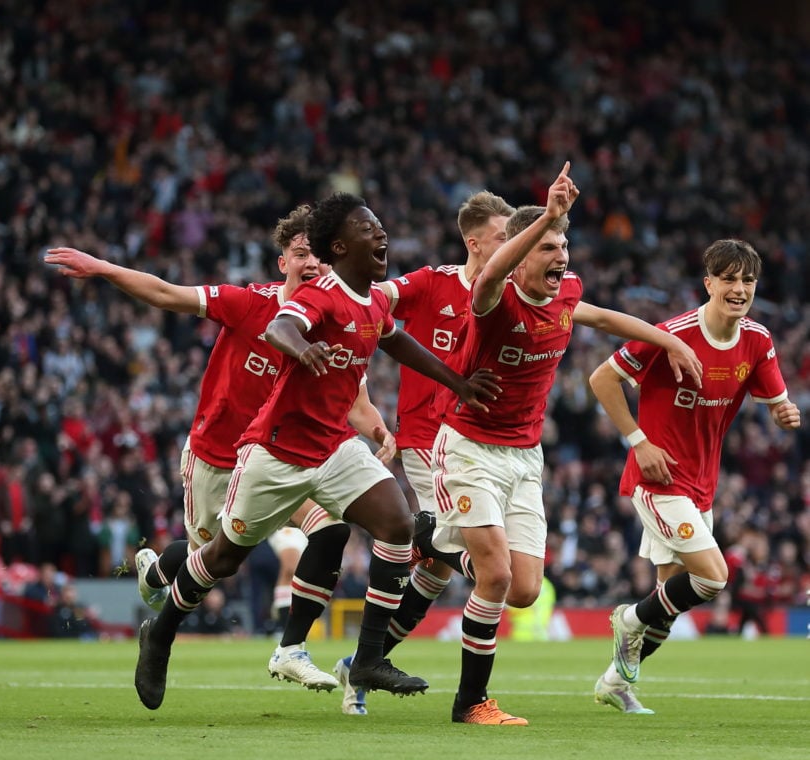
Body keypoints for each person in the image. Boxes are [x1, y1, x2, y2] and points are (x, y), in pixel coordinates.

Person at [131, 191, 500, 710]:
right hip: (276, 453)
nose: (382, 235)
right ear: (340, 245)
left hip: (334, 448)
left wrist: (457, 382)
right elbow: (281, 326)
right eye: (369, 228)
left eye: (380, 227)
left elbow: (395, 341)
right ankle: (162, 631)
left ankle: (368, 656)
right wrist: (303, 349)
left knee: (397, 524)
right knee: (221, 557)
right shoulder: (320, 294)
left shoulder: (372, 299)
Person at [46, 205, 396, 691]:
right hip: (221, 455)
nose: (311, 264)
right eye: (300, 255)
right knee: (210, 557)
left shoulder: (334, 312)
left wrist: (379, 430)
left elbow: (354, 396)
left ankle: (290, 648)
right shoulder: (250, 304)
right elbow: (167, 293)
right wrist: (104, 268)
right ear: (282, 263)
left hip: (296, 453)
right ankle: (156, 581)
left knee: (332, 529)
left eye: (318, 256)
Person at [424, 163, 703, 725]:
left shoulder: (566, 294)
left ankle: (432, 543)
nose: (562, 255)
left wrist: (667, 341)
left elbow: (599, 316)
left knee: (523, 590)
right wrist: (546, 215)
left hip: (525, 457)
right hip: (469, 447)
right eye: (550, 246)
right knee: (496, 576)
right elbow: (488, 277)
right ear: (523, 253)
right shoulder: (494, 300)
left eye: (565, 244)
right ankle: (470, 703)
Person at [592, 239, 799, 714]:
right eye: (728, 278)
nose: (739, 289)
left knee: (667, 603)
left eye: (747, 281)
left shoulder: (758, 340)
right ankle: (625, 621)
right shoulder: (670, 335)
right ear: (708, 282)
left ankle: (615, 682)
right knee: (713, 577)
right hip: (658, 479)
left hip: (702, 485)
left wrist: (785, 413)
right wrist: (638, 441)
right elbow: (601, 378)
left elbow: (777, 402)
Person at [334, 190, 514, 716]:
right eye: (505, 237)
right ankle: (428, 543)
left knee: (433, 574)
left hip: (477, 442)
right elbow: (373, 297)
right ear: (474, 241)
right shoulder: (431, 283)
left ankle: (361, 663)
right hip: (425, 438)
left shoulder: (508, 293)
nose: (513, 246)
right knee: (470, 562)